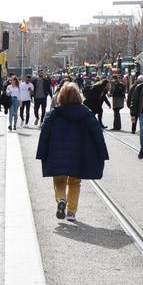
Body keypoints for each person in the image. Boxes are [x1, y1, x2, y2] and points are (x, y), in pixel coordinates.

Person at [36, 82, 109, 222]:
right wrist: (102, 153)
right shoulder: (86, 113)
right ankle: (71, 212)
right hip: (79, 154)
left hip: (57, 154)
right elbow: (97, 134)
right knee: (75, 182)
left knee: (59, 179)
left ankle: (61, 199)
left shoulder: (53, 114)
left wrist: (42, 153)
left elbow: (44, 135)